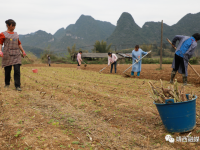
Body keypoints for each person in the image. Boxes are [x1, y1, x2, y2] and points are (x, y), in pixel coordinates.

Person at [0, 19, 26, 91]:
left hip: (16, 54)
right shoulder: (3, 34)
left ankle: (17, 86)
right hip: (7, 54)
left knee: (17, 70)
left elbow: (19, 43)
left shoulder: (16, 34)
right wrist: (0, 51)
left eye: (14, 25)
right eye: (12, 25)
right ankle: (7, 83)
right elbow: (1, 43)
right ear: (8, 25)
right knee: (7, 70)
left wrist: (23, 51)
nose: (14, 27)